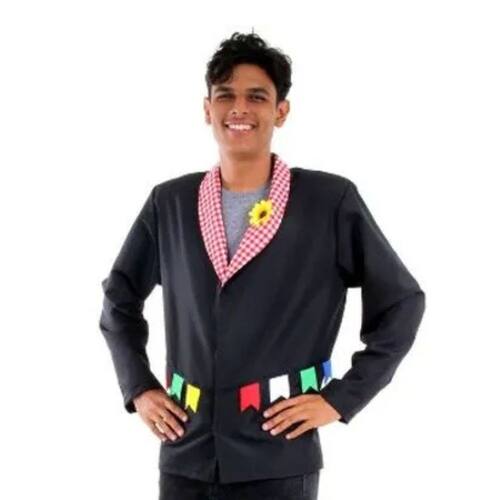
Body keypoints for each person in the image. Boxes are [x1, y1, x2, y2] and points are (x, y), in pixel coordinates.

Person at [99, 32, 426, 500]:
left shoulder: (328, 202)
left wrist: (341, 399)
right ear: (206, 109)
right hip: (186, 452)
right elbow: (119, 297)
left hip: (279, 456)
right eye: (225, 95)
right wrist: (138, 387)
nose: (239, 108)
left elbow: (402, 302)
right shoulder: (170, 202)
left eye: (257, 96)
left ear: (281, 111)